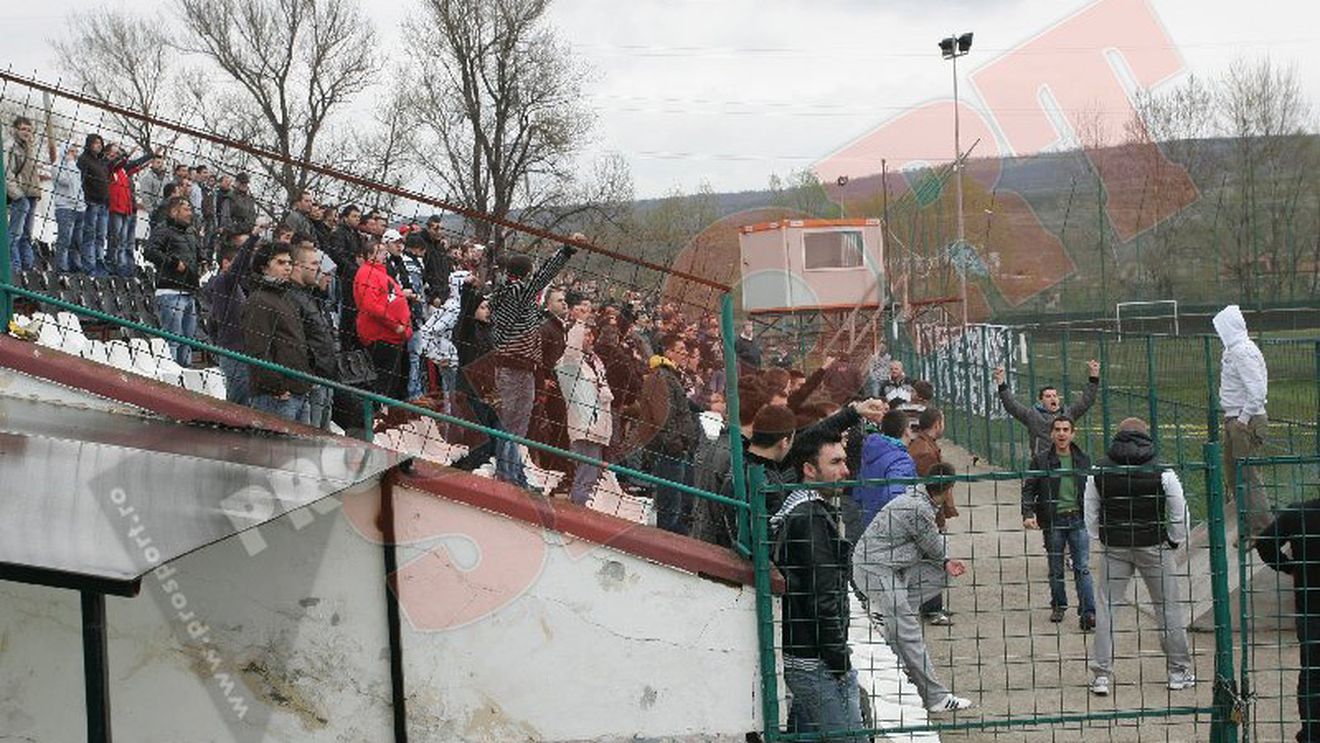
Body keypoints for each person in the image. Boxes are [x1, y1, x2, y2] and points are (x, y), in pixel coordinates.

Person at [854, 461, 974, 716]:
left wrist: (945, 560)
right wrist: (946, 558)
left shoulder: (919, 499)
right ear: (950, 487)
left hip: (886, 567)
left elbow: (936, 554)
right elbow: (935, 547)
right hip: (876, 571)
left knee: (941, 573)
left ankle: (890, 614)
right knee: (908, 634)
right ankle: (936, 697)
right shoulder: (918, 507)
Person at [1085, 417, 1193, 696]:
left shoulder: (1099, 469)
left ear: (1117, 436)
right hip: (1153, 544)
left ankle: (1101, 675)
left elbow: (1090, 510)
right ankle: (1178, 671)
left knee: (1107, 608)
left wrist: (1101, 536)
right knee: (1167, 607)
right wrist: (1174, 538)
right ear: (1146, 436)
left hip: (1115, 545)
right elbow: (1179, 509)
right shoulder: (1162, 469)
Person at [771, 427, 865, 740]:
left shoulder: (802, 509)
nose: (846, 470)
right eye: (836, 462)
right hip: (817, 659)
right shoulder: (809, 519)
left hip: (809, 651)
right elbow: (822, 596)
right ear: (809, 470)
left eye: (845, 461)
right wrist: (841, 663)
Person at [487, 239, 576, 488]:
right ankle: (509, 474)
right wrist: (566, 252)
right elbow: (544, 276)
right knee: (515, 425)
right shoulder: (519, 292)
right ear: (526, 274)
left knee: (512, 424)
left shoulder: (503, 294)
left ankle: (512, 472)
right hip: (518, 366)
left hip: (510, 364)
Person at [1022, 415, 1097, 631]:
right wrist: (1028, 512)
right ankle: (1059, 604)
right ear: (1052, 434)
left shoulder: (1083, 459)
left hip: (1078, 519)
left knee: (1082, 567)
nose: (1062, 433)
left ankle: (1088, 612)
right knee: (1055, 568)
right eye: (1058, 430)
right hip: (1053, 520)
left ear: (1073, 433)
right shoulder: (1041, 460)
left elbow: (1093, 488)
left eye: (1066, 429)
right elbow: (1029, 488)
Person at [1255, 499, 1320, 743]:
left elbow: (1265, 543)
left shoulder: (1300, 512)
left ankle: (1312, 734)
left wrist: (1289, 567)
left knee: (1313, 675)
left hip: (1312, 608)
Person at [626, 333, 700, 534]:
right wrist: (675, 443)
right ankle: (668, 544)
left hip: (676, 448)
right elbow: (663, 416)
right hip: (668, 451)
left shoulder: (670, 375)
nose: (685, 355)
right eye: (680, 351)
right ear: (667, 352)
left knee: (677, 500)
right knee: (670, 504)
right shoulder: (661, 377)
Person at [1214, 304, 1271, 541]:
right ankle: (1249, 526)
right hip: (1234, 419)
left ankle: (1264, 531)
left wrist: (1243, 419)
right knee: (1235, 476)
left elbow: (1257, 390)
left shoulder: (1243, 351)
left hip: (1244, 422)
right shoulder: (1233, 351)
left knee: (1247, 477)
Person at [241, 242, 312, 422]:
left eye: (289, 263)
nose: (287, 267)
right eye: (281, 263)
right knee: (275, 449)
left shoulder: (285, 297)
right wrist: (276, 387)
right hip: (276, 397)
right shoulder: (258, 301)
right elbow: (257, 350)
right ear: (264, 268)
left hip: (298, 390)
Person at [993, 359, 1101, 460]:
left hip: (1065, 458)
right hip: (1042, 461)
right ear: (1041, 400)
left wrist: (1094, 377)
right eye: (1048, 396)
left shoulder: (1068, 413)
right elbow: (1011, 405)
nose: (1052, 398)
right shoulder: (1032, 415)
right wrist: (1001, 383)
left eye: (1055, 395)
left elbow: (1087, 401)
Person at [556, 320, 614, 506]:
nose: (590, 338)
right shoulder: (570, 363)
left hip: (599, 427)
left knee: (591, 474)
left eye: (591, 334)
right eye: (586, 334)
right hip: (584, 426)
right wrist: (579, 322)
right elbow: (572, 349)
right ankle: (577, 510)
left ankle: (579, 506)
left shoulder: (596, 362)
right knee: (585, 476)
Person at [142, 197, 202, 366]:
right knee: (173, 338)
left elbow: (197, 252)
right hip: (170, 292)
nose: (190, 213)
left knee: (188, 339)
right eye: (187, 209)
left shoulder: (190, 232)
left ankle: (186, 373)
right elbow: (149, 251)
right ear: (175, 212)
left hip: (189, 291)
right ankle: (172, 374)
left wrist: (202, 261)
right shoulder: (163, 230)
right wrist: (173, 263)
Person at [354, 237, 413, 401]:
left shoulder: (380, 273)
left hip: (393, 337)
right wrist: (395, 325)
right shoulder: (367, 273)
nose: (385, 254)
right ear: (369, 255)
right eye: (380, 252)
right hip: (382, 337)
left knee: (394, 385)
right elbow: (371, 306)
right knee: (384, 387)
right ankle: (380, 420)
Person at [288, 242, 339, 428]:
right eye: (316, 265)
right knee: (312, 433)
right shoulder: (292, 297)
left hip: (323, 374)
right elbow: (294, 339)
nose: (320, 271)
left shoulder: (308, 295)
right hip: (311, 378)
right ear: (298, 266)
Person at [206, 232, 259, 404]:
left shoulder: (234, 288)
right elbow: (240, 266)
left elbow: (212, 322)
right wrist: (254, 237)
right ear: (225, 263)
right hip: (234, 354)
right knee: (238, 403)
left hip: (236, 351)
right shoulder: (223, 282)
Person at [853, 409, 918, 530]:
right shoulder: (901, 460)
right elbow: (895, 496)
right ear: (905, 432)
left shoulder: (870, 453)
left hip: (869, 523)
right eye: (910, 428)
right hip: (891, 530)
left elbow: (857, 492)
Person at [6, 116, 42, 274]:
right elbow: (7, 173)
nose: (26, 132)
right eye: (23, 129)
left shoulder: (30, 148)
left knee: (27, 234)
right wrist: (17, 195)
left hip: (32, 194)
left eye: (29, 129)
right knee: (15, 233)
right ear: (15, 130)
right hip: (20, 196)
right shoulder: (10, 147)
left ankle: (27, 269)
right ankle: (13, 268)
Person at [50, 141, 85, 274]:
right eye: (71, 151)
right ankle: (61, 268)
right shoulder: (56, 166)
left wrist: (82, 204)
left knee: (76, 241)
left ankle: (75, 266)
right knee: (64, 240)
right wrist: (70, 163)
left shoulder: (75, 167)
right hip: (65, 207)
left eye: (75, 152)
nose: (74, 154)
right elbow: (66, 181)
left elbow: (78, 187)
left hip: (79, 208)